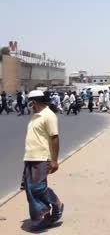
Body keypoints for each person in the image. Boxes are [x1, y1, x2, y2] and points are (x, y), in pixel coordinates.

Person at [22, 90, 64, 231]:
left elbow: (54, 137)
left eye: (30, 103)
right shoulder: (35, 116)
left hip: (41, 158)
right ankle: (44, 218)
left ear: (33, 102)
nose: (30, 106)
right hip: (30, 157)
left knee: (37, 188)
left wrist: (54, 160)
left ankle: (57, 203)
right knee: (30, 190)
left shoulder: (49, 116)